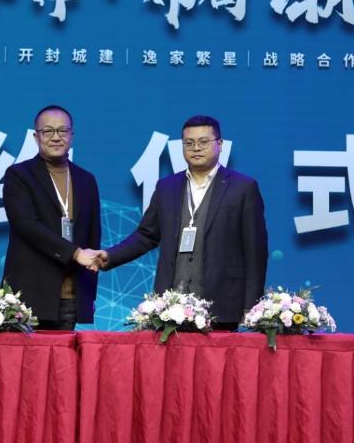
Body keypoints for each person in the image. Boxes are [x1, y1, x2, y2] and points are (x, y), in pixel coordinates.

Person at [94, 115, 268, 328]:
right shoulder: (166, 187)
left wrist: (251, 305)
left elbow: (255, 252)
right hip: (170, 306)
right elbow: (146, 235)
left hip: (223, 305)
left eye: (204, 142)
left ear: (220, 144)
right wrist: (110, 256)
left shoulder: (243, 188)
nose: (196, 148)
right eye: (189, 143)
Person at [2, 105, 101, 330]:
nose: (56, 137)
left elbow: (93, 236)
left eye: (62, 131)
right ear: (36, 137)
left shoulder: (86, 180)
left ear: (72, 136)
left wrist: (88, 295)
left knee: (64, 355)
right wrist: (75, 253)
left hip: (70, 297)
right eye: (48, 131)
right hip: (28, 296)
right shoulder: (19, 176)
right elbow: (27, 226)